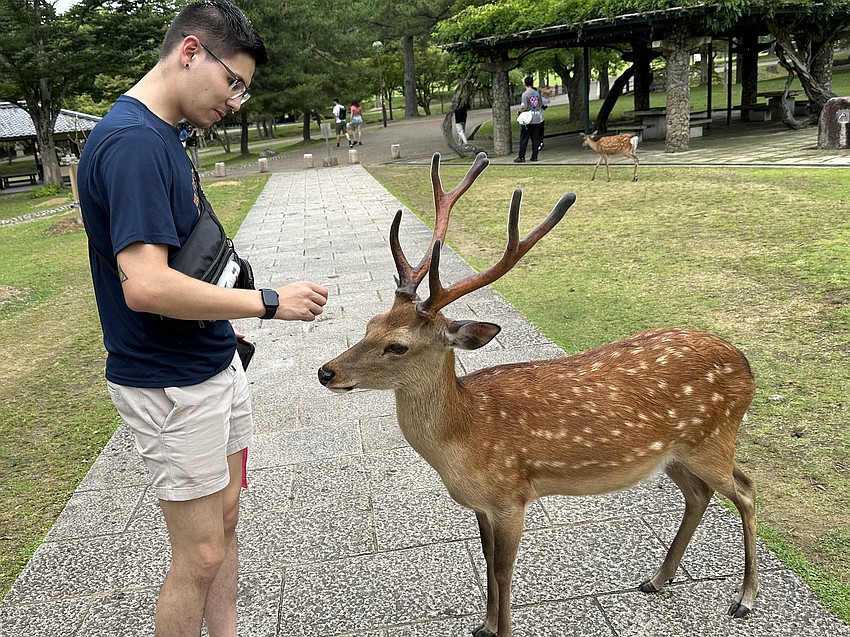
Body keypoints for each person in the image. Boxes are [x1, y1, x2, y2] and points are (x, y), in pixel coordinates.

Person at [77, 2, 329, 636]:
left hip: (210, 366)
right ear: (191, 52)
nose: (237, 102)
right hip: (171, 384)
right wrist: (268, 300)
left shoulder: (164, 134)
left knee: (225, 527)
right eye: (234, 82)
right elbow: (147, 286)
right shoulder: (133, 144)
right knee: (200, 554)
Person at [514, 76, 544, 163]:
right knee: (535, 138)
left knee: (524, 138)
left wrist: (518, 112)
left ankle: (521, 156)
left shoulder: (525, 94)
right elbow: (540, 105)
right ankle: (534, 156)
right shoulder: (536, 93)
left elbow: (524, 107)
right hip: (537, 118)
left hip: (528, 120)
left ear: (525, 84)